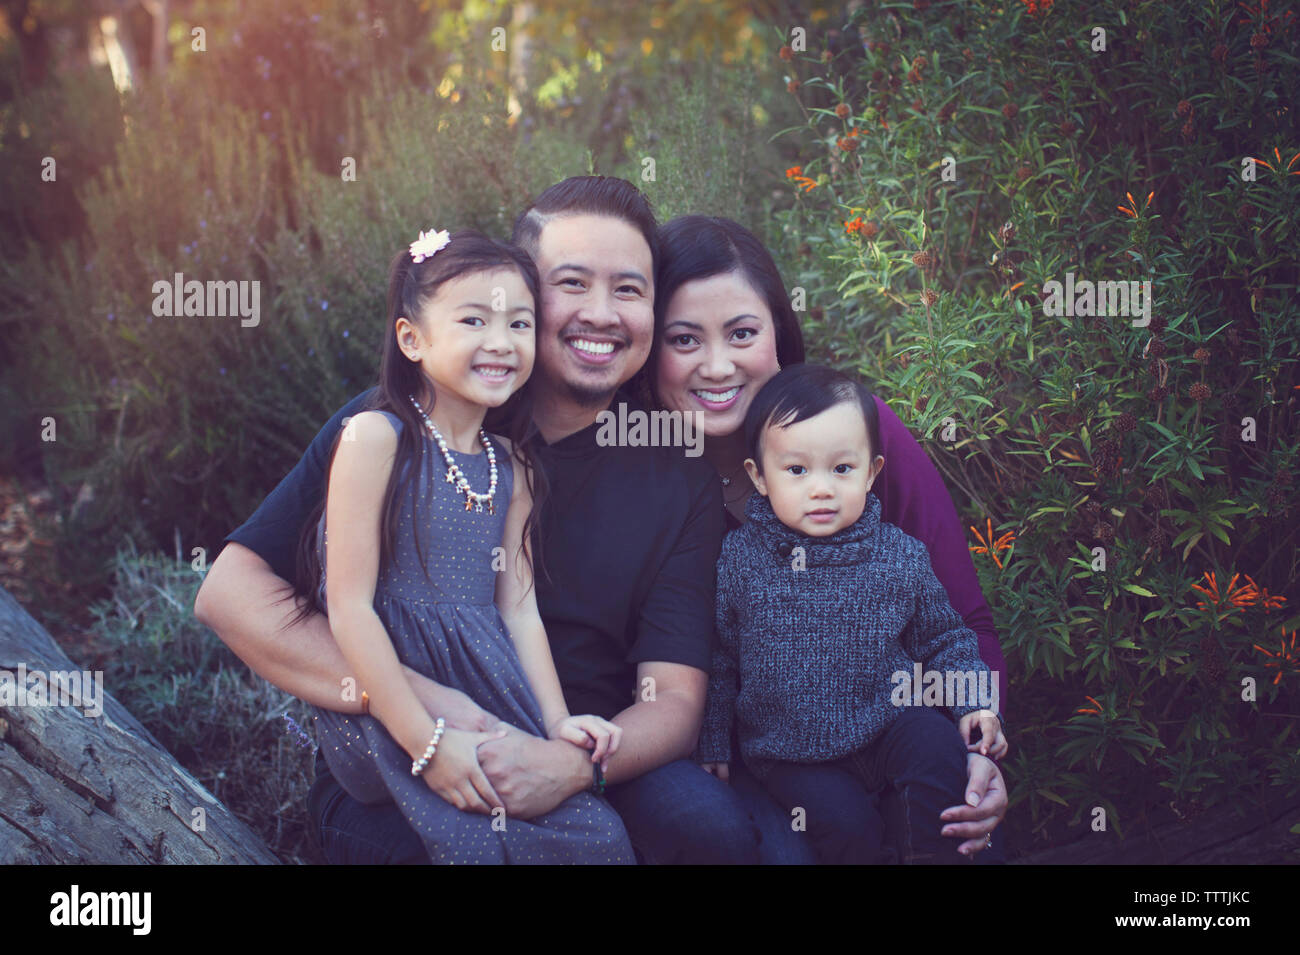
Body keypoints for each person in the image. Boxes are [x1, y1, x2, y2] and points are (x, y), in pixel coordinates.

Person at [195, 177, 761, 864]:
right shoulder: (393, 426)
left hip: (578, 747)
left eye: (630, 290)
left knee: (712, 831)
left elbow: (673, 697)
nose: (602, 313)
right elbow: (231, 594)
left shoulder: (674, 471)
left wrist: (571, 766)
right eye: (572, 283)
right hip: (404, 757)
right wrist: (424, 707)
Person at [638, 214, 1009, 859]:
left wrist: (983, 747)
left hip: (894, 729)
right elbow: (708, 662)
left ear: (779, 333)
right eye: (684, 339)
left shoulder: (856, 434)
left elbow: (959, 620)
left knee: (950, 815)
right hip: (775, 759)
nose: (718, 365)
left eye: (743, 333)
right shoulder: (643, 474)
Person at [297, 228, 633, 863]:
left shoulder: (513, 467)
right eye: (474, 320)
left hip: (486, 686)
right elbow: (348, 608)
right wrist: (425, 740)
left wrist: (559, 725)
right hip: (391, 705)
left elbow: (519, 610)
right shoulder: (376, 439)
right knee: (472, 843)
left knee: (600, 838)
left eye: (519, 323)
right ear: (412, 339)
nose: (501, 343)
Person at [696, 363, 1007, 864]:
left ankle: (936, 854)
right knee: (845, 827)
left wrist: (975, 703)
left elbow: (946, 638)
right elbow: (720, 658)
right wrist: (712, 739)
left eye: (841, 469)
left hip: (889, 724)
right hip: (789, 750)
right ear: (758, 477)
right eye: (796, 471)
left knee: (935, 749)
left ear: (872, 473)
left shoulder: (897, 555)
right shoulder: (740, 561)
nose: (821, 489)